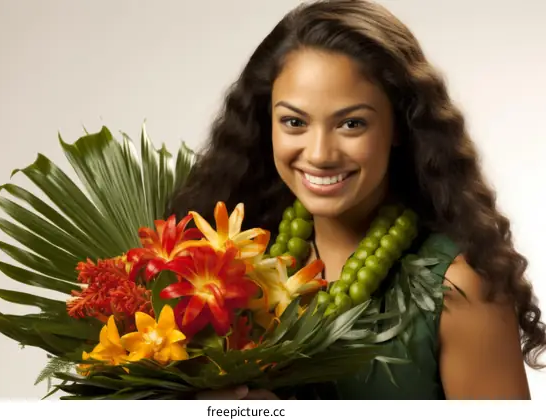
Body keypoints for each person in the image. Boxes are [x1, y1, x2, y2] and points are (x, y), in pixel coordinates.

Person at [167, 0, 546, 399]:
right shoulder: (221, 264)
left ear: (400, 125)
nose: (319, 154)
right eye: (294, 122)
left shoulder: (459, 291)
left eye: (351, 124)